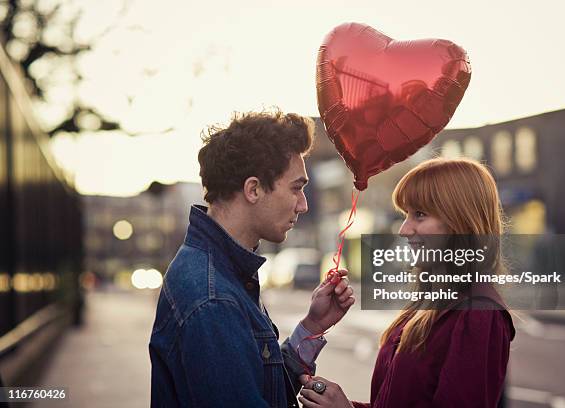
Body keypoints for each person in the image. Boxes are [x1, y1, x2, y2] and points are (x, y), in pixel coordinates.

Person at [149, 110, 355, 407]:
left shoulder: (222, 273)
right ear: (254, 189)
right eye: (296, 188)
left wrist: (312, 326)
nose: (303, 205)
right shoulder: (214, 299)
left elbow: (261, 384)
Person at [300, 157, 515, 408]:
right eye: (406, 214)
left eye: (419, 215)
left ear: (460, 221)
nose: (403, 229)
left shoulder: (478, 314)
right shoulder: (429, 305)